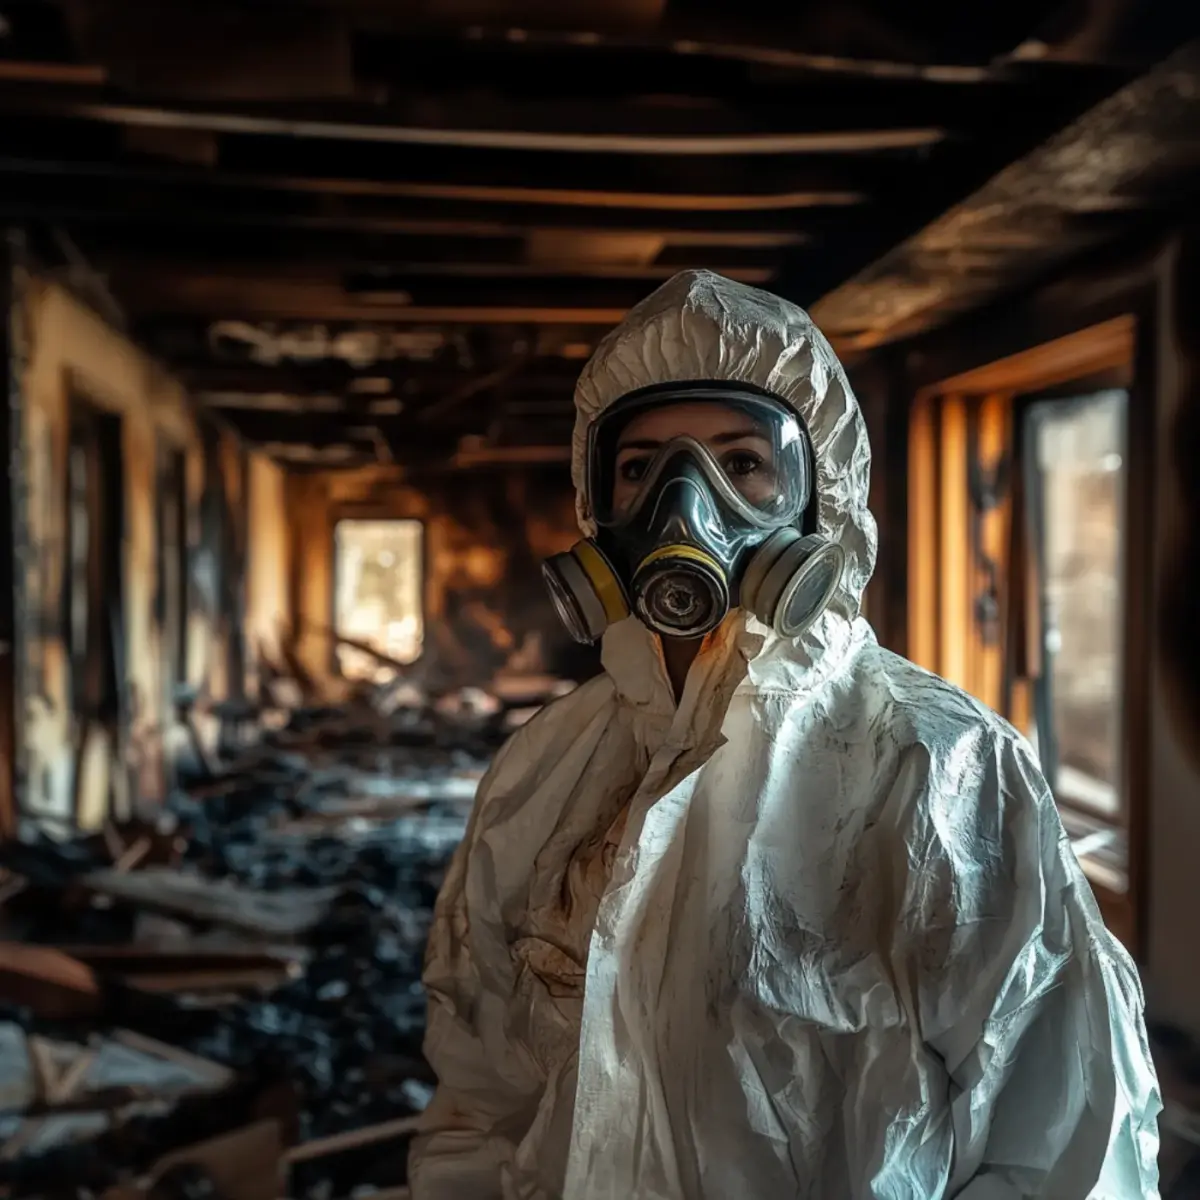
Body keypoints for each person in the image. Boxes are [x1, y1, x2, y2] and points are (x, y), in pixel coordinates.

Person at [408, 270, 1161, 1199]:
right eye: (642, 469)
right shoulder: (543, 771)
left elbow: (1065, 1152)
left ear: (821, 503)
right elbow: (482, 1098)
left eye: (744, 464)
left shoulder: (940, 769)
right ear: (595, 505)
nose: (685, 508)